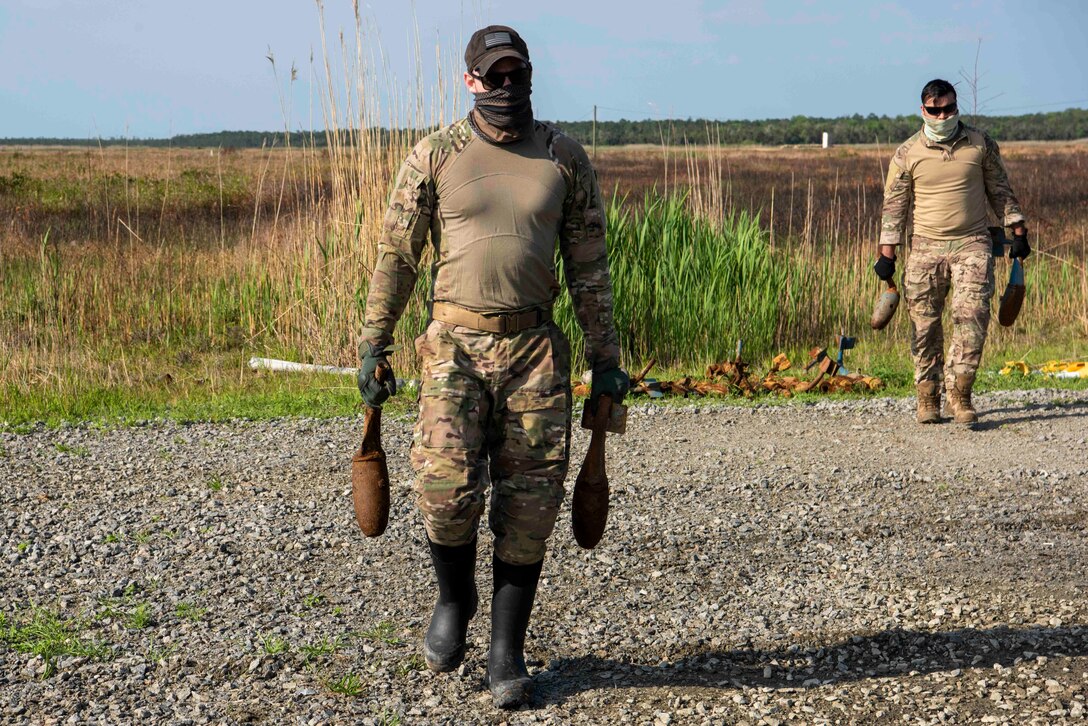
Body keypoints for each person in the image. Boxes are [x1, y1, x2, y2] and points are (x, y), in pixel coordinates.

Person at [355, 25, 628, 709]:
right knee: (444, 494)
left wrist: (607, 361)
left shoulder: (564, 157)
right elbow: (397, 255)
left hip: (536, 350)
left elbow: (589, 267)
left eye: (518, 74)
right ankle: (454, 598)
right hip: (453, 346)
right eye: (494, 76)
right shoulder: (435, 155)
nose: (508, 87)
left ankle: (506, 652)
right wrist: (374, 342)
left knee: (531, 507)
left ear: (530, 76)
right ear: (470, 80)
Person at [874, 78, 1028, 424]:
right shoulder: (907, 153)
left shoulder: (979, 144)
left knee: (971, 318)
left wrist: (1017, 229)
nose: (943, 116)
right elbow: (894, 208)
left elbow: (1000, 190)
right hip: (925, 247)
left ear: (957, 107)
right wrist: (887, 255)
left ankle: (960, 396)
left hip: (972, 243)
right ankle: (928, 398)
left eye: (949, 109)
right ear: (923, 110)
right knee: (925, 326)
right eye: (935, 110)